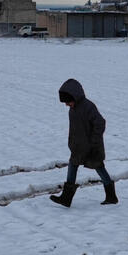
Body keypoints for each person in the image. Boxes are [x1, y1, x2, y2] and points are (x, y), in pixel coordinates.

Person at [50, 78, 118, 207]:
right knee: (72, 166)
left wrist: (94, 142)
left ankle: (111, 196)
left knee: (99, 168)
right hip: (78, 147)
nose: (66, 105)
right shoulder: (73, 110)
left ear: (74, 97)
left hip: (92, 147)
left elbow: (100, 123)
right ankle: (66, 198)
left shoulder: (88, 107)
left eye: (67, 101)